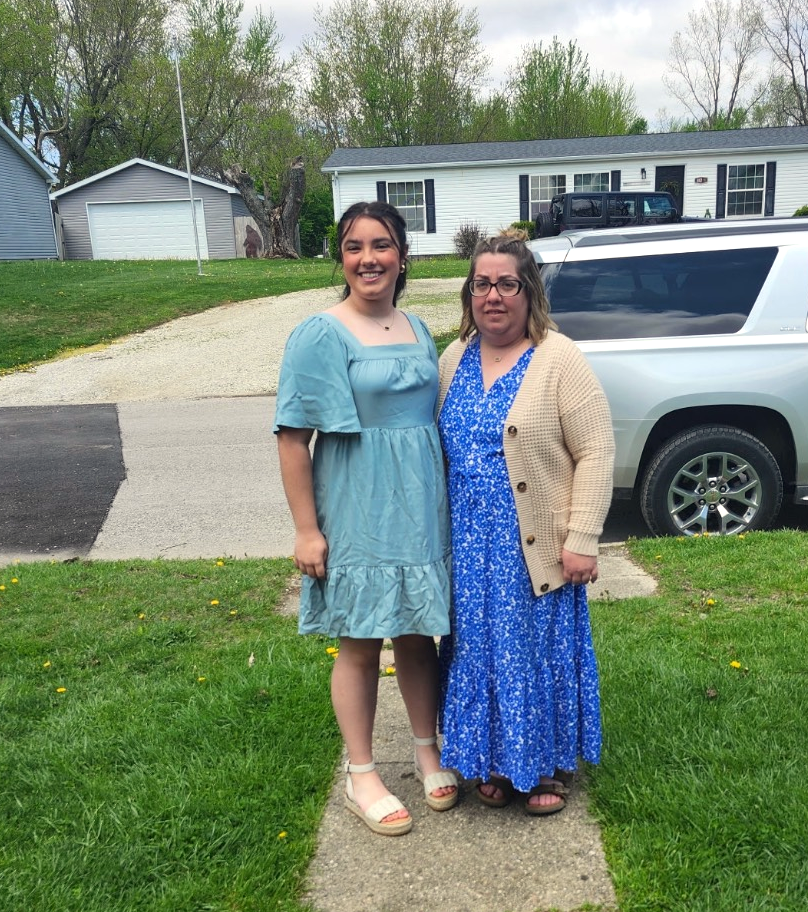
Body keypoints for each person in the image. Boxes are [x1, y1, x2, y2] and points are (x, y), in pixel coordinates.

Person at [274, 201, 458, 836]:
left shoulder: (418, 326)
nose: (368, 258)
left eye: (381, 245)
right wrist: (306, 529)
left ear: (402, 256)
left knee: (416, 634)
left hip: (419, 503)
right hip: (356, 502)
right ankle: (361, 774)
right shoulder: (321, 334)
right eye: (354, 247)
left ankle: (426, 749)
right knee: (359, 639)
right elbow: (293, 439)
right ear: (342, 259)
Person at [437, 229, 615, 815]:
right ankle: (491, 758)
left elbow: (596, 450)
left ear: (528, 290)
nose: (493, 296)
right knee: (477, 653)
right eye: (482, 284)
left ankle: (542, 767)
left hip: (531, 546)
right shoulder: (452, 359)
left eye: (506, 284)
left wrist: (582, 539)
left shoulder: (558, 358)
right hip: (467, 545)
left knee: (534, 655)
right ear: (470, 292)